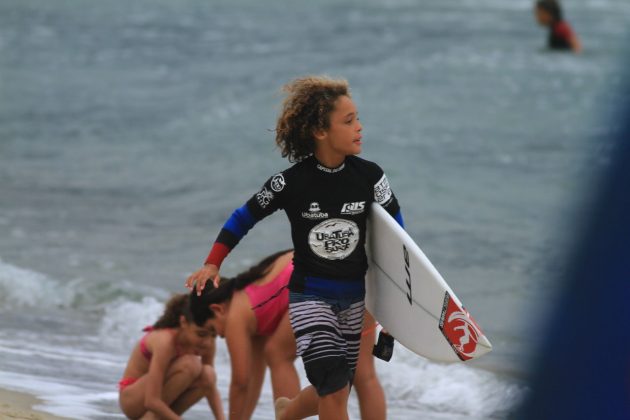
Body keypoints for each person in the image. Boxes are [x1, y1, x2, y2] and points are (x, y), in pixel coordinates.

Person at [186, 76, 403, 420]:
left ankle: (286, 414)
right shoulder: (290, 182)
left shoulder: (371, 177)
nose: (360, 127)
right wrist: (213, 263)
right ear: (320, 131)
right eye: (348, 121)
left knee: (335, 387)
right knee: (332, 385)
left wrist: (395, 301)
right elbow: (244, 216)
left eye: (358, 118)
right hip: (309, 297)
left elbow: (397, 237)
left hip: (355, 300)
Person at [189, 249, 389, 420]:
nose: (221, 336)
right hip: (355, 275)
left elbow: (240, 382)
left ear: (217, 309)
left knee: (277, 354)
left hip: (318, 285)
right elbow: (253, 380)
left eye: (214, 330)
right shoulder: (252, 304)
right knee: (365, 375)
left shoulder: (235, 316)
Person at [118, 293, 224, 420]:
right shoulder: (165, 341)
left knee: (208, 373)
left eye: (214, 335)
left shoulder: (207, 342)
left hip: (159, 402)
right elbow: (151, 400)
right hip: (133, 400)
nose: (207, 342)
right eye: (201, 334)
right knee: (190, 364)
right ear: (183, 322)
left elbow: (209, 385)